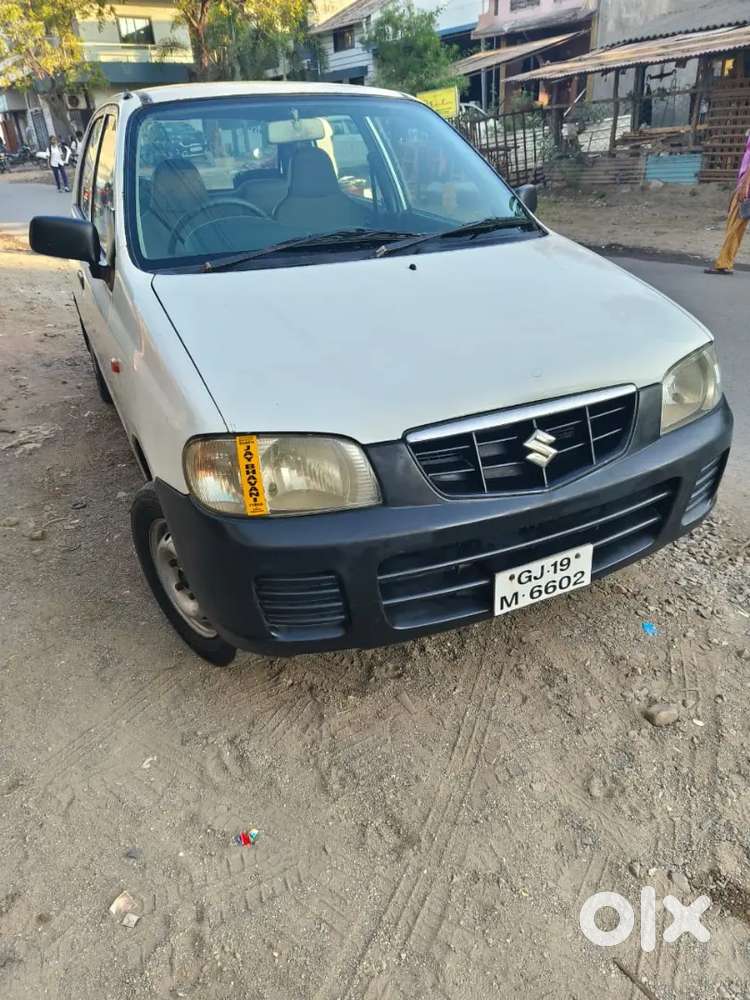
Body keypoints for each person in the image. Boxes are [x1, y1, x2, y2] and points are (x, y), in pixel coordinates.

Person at [705, 128, 750, 276]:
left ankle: (723, 264)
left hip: (746, 189)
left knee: (734, 227)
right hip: (743, 186)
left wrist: (745, 187)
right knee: (736, 227)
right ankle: (725, 263)